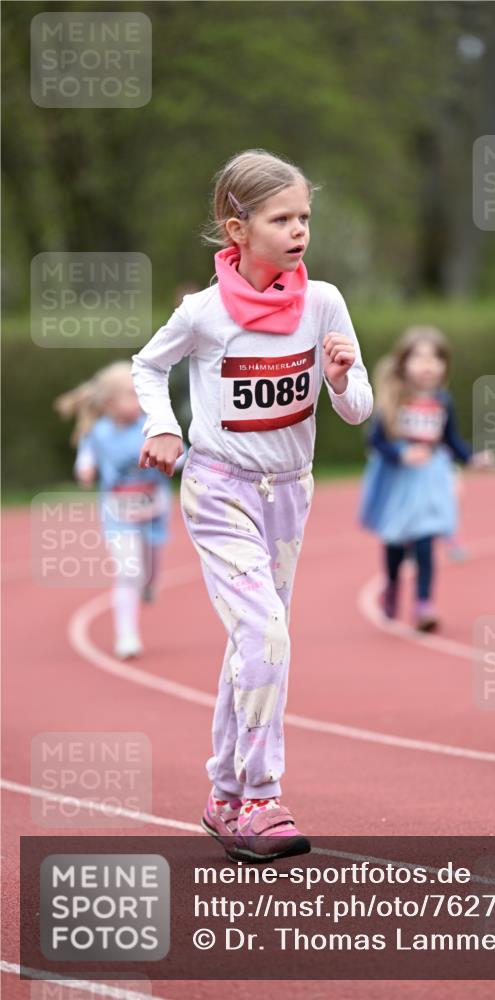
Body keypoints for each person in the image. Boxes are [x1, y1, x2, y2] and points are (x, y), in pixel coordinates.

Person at [131, 149, 373, 863]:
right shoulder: (202, 314)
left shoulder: (323, 302)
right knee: (266, 639)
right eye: (281, 218)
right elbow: (148, 366)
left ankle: (222, 796)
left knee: (254, 645)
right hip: (219, 491)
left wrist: (337, 378)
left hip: (289, 497)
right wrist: (162, 425)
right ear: (235, 229)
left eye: (304, 216)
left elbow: (358, 411)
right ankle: (259, 797)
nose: (299, 230)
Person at [359, 326, 493, 632]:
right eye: (419, 357)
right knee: (394, 542)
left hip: (430, 479)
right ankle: (392, 588)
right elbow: (376, 441)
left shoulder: (443, 400)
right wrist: (401, 454)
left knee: (425, 539)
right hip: (399, 480)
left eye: (435, 358)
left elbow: (450, 439)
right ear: (403, 363)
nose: (427, 364)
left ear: (444, 365)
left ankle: (424, 605)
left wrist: (472, 457)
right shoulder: (395, 399)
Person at [54, 362, 173, 659]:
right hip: (118, 513)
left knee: (149, 569)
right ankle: (127, 636)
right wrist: (85, 470)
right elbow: (85, 458)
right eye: (131, 395)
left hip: (153, 510)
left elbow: (177, 453)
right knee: (128, 570)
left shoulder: (153, 425)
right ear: (110, 402)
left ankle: (149, 583)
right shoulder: (98, 432)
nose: (139, 401)